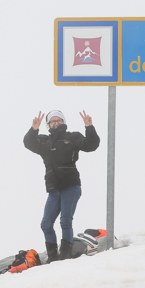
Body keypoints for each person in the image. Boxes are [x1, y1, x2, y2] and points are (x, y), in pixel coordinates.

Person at [23, 110, 100, 262]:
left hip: (71, 186)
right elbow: (28, 143)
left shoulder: (71, 137)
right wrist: (34, 130)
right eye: (52, 121)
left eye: (59, 120)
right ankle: (53, 256)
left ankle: (65, 254)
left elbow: (91, 145)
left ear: (64, 122)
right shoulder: (44, 141)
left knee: (65, 221)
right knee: (46, 224)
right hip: (53, 189)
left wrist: (89, 127)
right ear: (49, 124)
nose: (56, 123)